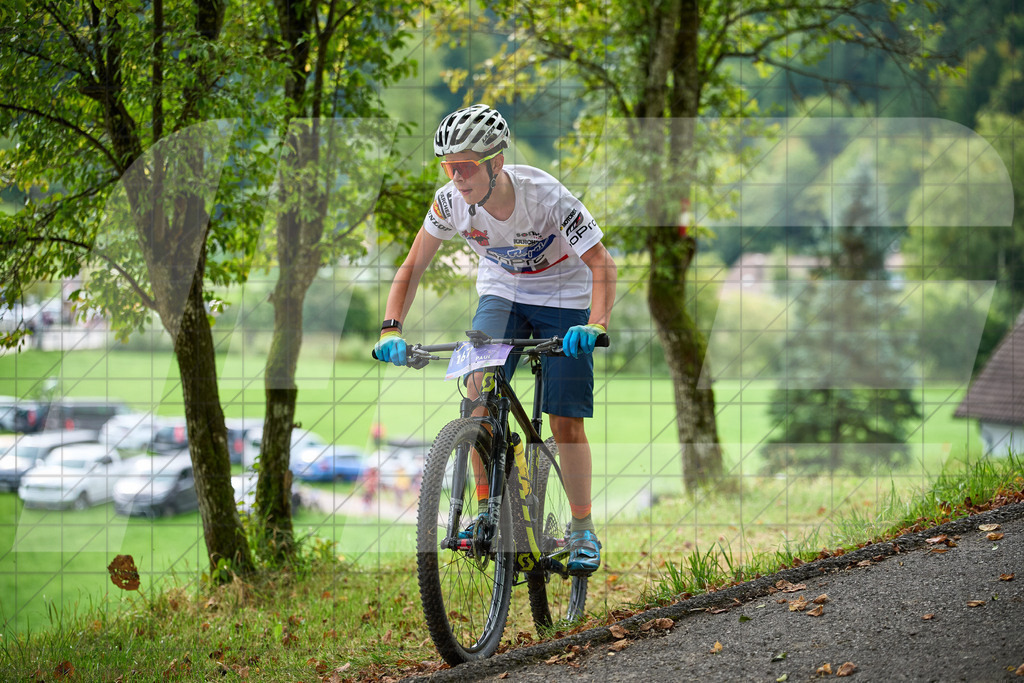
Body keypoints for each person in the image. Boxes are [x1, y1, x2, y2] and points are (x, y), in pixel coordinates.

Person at [373, 104, 617, 575]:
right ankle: (486, 508)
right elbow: (412, 266)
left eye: (465, 166)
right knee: (477, 390)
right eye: (449, 167)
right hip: (502, 291)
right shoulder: (449, 203)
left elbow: (603, 264)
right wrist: (390, 328)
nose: (457, 177)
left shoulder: (548, 198)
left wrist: (597, 324)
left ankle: (583, 527)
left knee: (564, 420)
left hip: (563, 295)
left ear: (495, 164)